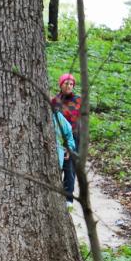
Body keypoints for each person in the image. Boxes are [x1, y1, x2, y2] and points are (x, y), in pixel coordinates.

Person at [50, 73, 82, 203]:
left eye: (71, 84)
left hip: (73, 137)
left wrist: (70, 145)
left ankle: (68, 200)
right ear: (61, 84)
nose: (69, 86)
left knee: (70, 168)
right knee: (57, 165)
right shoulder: (55, 101)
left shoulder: (78, 100)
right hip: (57, 136)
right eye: (66, 83)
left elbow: (77, 122)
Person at [53, 106, 76, 206]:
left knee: (68, 173)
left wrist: (69, 147)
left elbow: (69, 133)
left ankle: (68, 200)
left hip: (59, 154)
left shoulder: (57, 116)